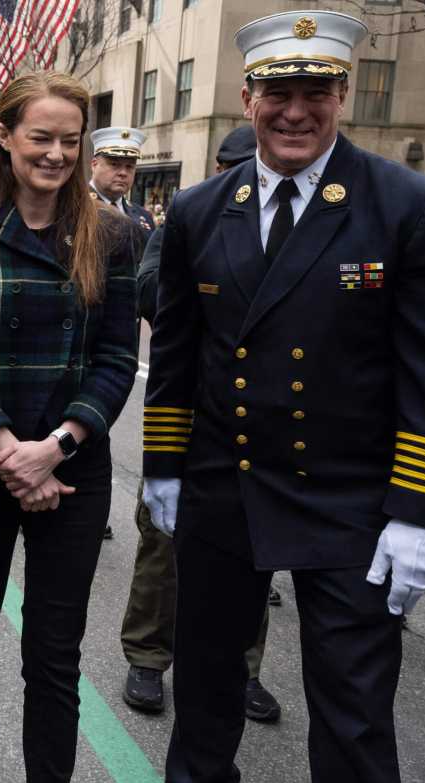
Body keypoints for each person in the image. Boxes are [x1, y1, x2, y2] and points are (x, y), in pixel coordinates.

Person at [142, 11, 425, 783]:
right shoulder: (199, 209)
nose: (296, 111)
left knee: (355, 715)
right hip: (226, 484)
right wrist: (165, 464)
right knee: (203, 692)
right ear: (248, 95)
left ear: (343, 95)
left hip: (350, 498)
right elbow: (179, 355)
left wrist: (421, 511)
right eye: (279, 92)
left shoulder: (407, 203)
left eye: (317, 91)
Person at [0, 71, 138, 783]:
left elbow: (117, 358)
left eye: (69, 142)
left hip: (73, 467)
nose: (54, 154)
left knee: (55, 648)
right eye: (40, 137)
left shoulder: (113, 234)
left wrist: (56, 448)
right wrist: (9, 450)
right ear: (5, 136)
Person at [120, 123, 281, 723]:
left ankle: (244, 667)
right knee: (164, 540)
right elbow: (148, 291)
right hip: (193, 407)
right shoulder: (191, 217)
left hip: (264, 419)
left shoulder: (299, 224)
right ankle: (148, 655)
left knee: (256, 548)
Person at [88, 126, 156, 257]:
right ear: (94, 164)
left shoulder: (144, 216)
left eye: (129, 166)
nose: (123, 173)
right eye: (114, 164)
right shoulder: (75, 207)